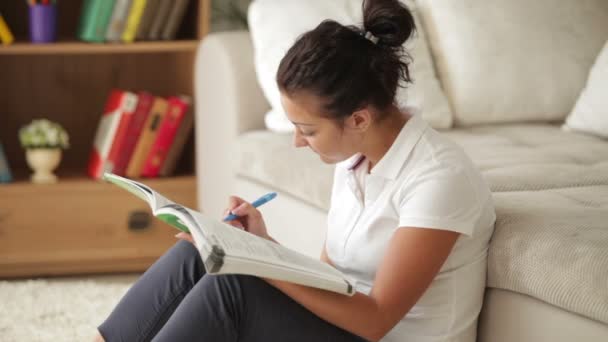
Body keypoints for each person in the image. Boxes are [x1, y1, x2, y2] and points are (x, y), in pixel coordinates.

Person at [95, 0, 496, 341]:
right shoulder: (357, 158)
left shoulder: (438, 180)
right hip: (345, 330)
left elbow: (375, 319)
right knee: (195, 252)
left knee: (232, 285)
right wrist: (261, 245)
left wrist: (253, 262)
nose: (297, 143)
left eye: (307, 130)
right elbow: (332, 278)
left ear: (358, 119)